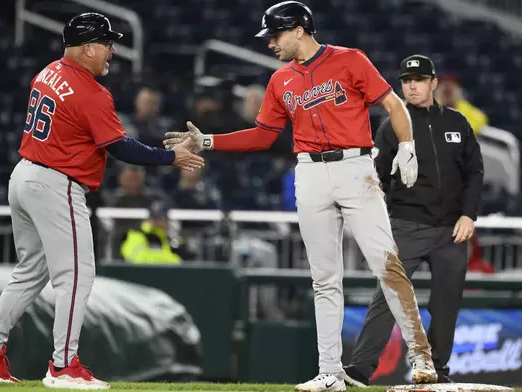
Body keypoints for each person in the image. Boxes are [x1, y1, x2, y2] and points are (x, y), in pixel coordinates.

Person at [163, 2, 437, 391]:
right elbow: (262, 135)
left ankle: (421, 357)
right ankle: (330, 371)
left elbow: (393, 104)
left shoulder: (349, 60)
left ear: (298, 29)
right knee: (324, 278)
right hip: (308, 171)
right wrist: (208, 140)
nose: (271, 43)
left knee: (386, 263)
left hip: (356, 168)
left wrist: (408, 146)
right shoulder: (280, 80)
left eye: (275, 35)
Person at [0, 12, 203, 390]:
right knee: (76, 276)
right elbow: (121, 148)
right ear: (87, 47)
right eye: (106, 44)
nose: (111, 50)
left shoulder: (48, 71)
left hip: (24, 175)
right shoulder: (90, 91)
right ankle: (63, 366)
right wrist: (171, 157)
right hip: (56, 183)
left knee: (31, 272)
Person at [343, 54, 484, 385]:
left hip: (452, 230)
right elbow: (375, 176)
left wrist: (469, 214)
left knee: (446, 304)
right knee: (389, 296)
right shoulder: (392, 125)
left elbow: (475, 172)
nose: (412, 86)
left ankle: (437, 370)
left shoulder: (457, 122)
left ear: (433, 83)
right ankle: (361, 368)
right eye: (406, 81)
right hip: (407, 226)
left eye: (419, 80)